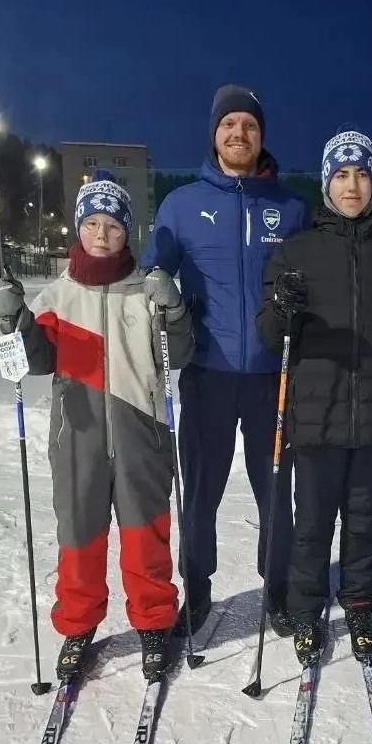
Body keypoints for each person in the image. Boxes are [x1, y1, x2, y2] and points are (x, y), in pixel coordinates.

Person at [0, 169, 194, 682]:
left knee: (146, 532)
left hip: (140, 431)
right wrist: (12, 320)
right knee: (79, 533)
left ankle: (153, 623)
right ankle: (77, 627)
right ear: (79, 228)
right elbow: (30, 362)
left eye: (114, 224)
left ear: (128, 232)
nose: (102, 233)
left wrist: (174, 310)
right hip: (77, 434)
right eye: (93, 222)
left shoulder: (143, 291)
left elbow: (179, 355)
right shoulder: (58, 296)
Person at [256, 129, 372, 665]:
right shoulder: (297, 251)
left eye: (361, 173)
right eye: (341, 174)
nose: (352, 185)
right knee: (313, 526)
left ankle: (360, 604)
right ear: (326, 182)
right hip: (316, 414)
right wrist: (283, 307)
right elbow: (272, 334)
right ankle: (306, 610)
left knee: (366, 522)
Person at [142, 84, 309, 638]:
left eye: (250, 126)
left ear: (262, 137)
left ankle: (277, 590)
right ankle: (199, 590)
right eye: (229, 125)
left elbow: (315, 283)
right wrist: (159, 287)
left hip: (272, 379)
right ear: (214, 134)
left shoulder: (290, 208)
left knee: (276, 493)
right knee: (199, 493)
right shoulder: (182, 205)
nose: (239, 134)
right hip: (207, 375)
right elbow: (150, 273)